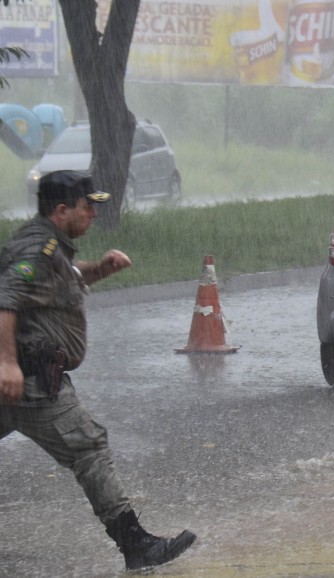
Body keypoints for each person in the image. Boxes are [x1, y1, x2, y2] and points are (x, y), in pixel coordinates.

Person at [0, 170, 196, 570]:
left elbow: (62, 281)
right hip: (31, 380)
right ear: (61, 210)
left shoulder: (49, 247)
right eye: (86, 205)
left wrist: (101, 269)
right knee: (88, 446)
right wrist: (6, 363)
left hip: (24, 376)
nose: (93, 212)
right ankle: (136, 546)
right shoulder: (37, 251)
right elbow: (4, 298)